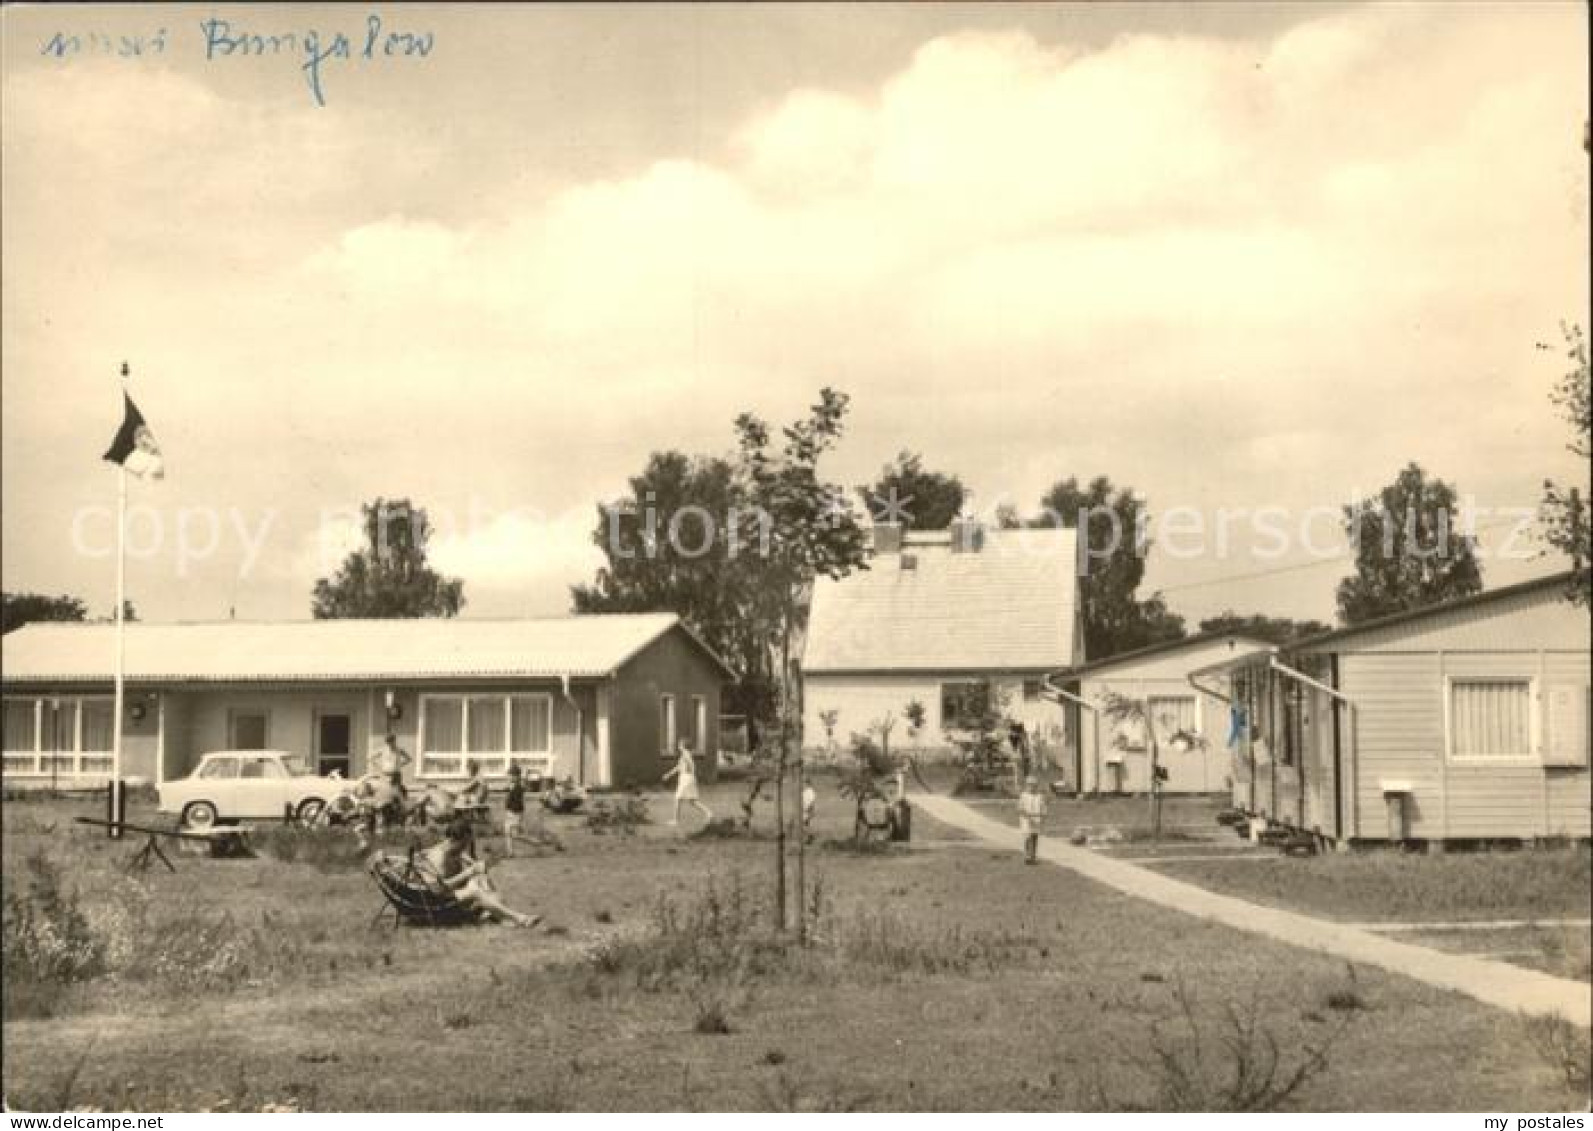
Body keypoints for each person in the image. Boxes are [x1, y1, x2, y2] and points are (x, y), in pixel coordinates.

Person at [421, 819, 541, 928]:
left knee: (481, 878)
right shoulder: (439, 857)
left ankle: (499, 916)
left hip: (448, 894)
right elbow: (438, 889)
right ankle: (521, 918)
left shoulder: (451, 849)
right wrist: (468, 872)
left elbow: (461, 858)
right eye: (464, 843)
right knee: (475, 890)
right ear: (455, 840)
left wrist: (476, 866)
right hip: (437, 901)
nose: (465, 847)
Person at [663, 739, 713, 829]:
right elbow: (679, 767)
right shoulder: (685, 754)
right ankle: (708, 813)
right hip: (688, 778)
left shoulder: (685, 754)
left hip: (686, 778)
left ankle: (675, 820)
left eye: (680, 745)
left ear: (683, 746)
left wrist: (689, 770)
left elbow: (688, 764)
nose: (678, 746)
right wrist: (669, 774)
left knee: (678, 798)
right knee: (692, 801)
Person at [1017, 774, 1049, 865]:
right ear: (1027, 786)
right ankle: (1027, 856)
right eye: (1030, 785)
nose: (1032, 787)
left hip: (1036, 819)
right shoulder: (1023, 795)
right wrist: (1026, 815)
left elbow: (1043, 807)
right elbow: (1020, 808)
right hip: (1027, 820)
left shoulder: (1039, 796)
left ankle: (1033, 856)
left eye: (1034, 785)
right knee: (1027, 837)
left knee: (1035, 837)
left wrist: (1044, 813)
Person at [502, 763, 526, 856]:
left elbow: (518, 803)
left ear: (517, 776)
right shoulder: (512, 786)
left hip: (515, 813)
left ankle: (536, 843)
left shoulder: (519, 787)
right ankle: (510, 852)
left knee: (515, 835)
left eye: (511, 776)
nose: (509, 777)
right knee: (507, 832)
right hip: (510, 812)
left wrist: (513, 811)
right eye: (509, 775)